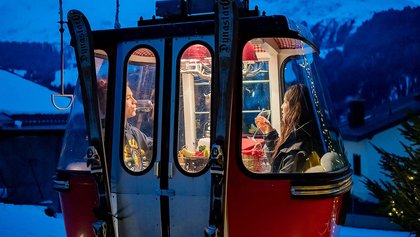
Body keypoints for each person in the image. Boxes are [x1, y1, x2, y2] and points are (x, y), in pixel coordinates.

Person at [255, 84, 319, 173]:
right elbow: (278, 163)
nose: (281, 106)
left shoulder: (297, 149)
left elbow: (281, 180)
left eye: (285, 102)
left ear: (295, 108)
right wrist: (269, 134)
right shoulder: (298, 136)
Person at [123, 85, 153, 172]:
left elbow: (155, 147)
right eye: (128, 98)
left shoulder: (133, 132)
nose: (134, 101)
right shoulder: (106, 136)